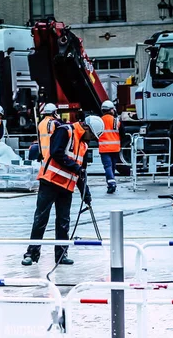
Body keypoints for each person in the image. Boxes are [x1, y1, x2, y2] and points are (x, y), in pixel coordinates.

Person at [22, 115, 105, 266]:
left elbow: (81, 171)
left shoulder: (84, 145)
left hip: (67, 187)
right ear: (86, 128)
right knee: (41, 218)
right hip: (50, 181)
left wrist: (85, 192)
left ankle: (61, 255)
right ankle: (31, 253)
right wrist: (76, 167)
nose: (91, 139)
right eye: (92, 135)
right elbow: (56, 152)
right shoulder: (65, 131)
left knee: (63, 222)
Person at [99, 100, 124, 194]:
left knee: (107, 166)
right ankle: (111, 182)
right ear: (111, 110)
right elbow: (123, 133)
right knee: (112, 166)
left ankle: (111, 183)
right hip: (115, 148)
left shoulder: (100, 121)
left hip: (104, 148)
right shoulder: (116, 121)